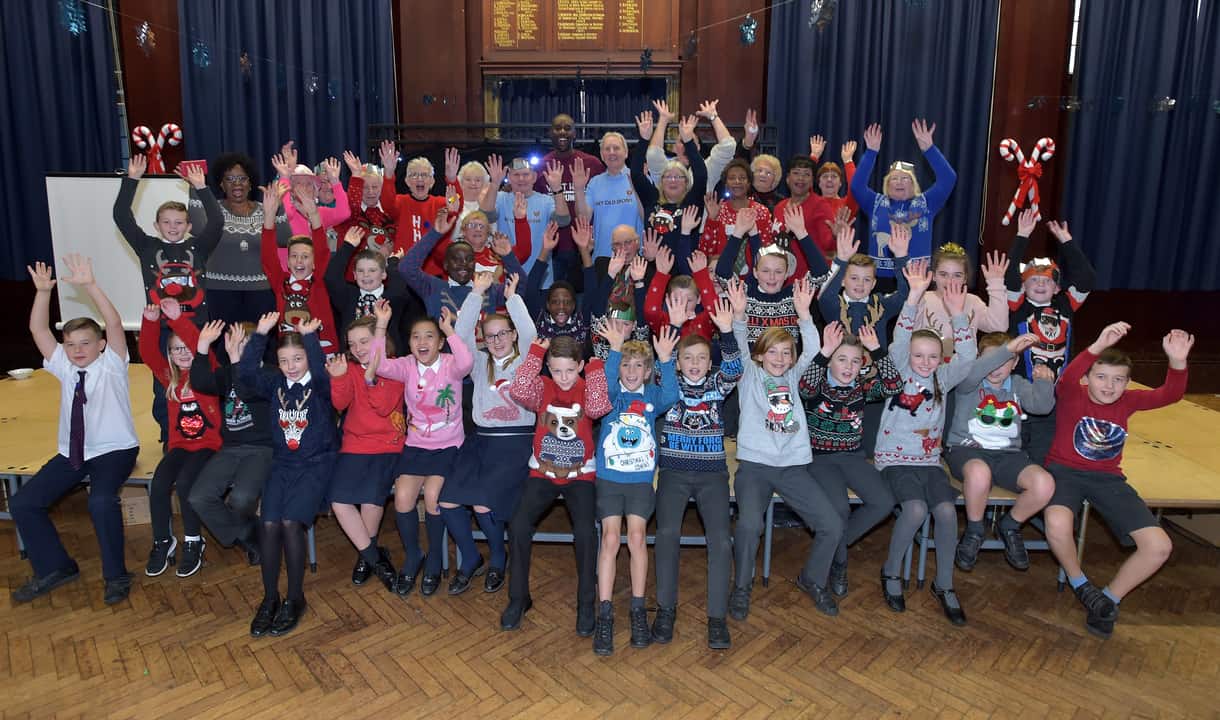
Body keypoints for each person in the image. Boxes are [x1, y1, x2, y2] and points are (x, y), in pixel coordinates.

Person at [1043, 323, 1192, 639]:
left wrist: (1177, 362)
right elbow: (1068, 376)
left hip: (1107, 479)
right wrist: (1096, 346)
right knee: (1057, 522)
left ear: (1127, 383)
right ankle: (1081, 585)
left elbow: (1171, 394)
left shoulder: (1129, 402)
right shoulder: (1073, 393)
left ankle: (1107, 601)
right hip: (1064, 473)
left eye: (1118, 380)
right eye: (1101, 377)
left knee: (1159, 546)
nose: (1109, 387)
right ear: (1087, 379)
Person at [11, 256, 140, 606]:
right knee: (24, 502)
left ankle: (115, 576)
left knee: (100, 502)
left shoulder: (112, 365)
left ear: (99, 345)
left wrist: (89, 286)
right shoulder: (65, 369)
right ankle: (55, 567)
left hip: (114, 450)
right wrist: (42, 293)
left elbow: (113, 322)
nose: (77, 350)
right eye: (70, 344)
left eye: (85, 343)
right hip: (75, 452)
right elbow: (39, 331)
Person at [727, 276, 846, 620]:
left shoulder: (794, 377)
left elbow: (811, 348)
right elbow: (738, 340)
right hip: (755, 467)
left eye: (786, 352)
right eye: (772, 352)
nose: (779, 358)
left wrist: (804, 314)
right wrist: (739, 316)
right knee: (750, 524)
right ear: (760, 354)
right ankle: (742, 586)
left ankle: (811, 579)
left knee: (832, 525)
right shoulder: (749, 374)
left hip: (793, 467)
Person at [874, 262, 976, 626]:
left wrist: (959, 316)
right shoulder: (900, 370)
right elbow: (901, 340)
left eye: (932, 357)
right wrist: (914, 297)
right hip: (895, 462)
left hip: (930, 463)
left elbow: (966, 358)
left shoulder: (942, 380)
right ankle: (890, 572)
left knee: (947, 512)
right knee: (915, 510)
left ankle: (945, 584)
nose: (925, 362)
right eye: (920, 356)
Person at [501, 336, 611, 633]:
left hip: (581, 476)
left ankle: (586, 604)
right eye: (557, 371)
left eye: (570, 371)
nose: (563, 378)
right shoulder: (542, 387)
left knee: (586, 533)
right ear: (549, 369)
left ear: (580, 367)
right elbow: (518, 389)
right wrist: (536, 354)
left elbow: (600, 408)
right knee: (519, 525)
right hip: (543, 474)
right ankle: (518, 598)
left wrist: (597, 366)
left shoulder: (588, 388)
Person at [238, 312, 337, 637]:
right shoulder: (275, 384)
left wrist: (309, 336)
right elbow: (246, 374)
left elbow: (322, 373)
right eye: (284, 360)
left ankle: (295, 598)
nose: (292, 365)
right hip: (282, 464)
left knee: (291, 524)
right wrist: (261, 334)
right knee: (268, 524)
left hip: (315, 465)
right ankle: (270, 598)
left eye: (298, 358)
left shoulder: (321, 387)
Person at [439, 271, 537, 595]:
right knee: (448, 501)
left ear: (512, 334)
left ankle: (498, 557)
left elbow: (529, 331)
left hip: (515, 443)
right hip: (481, 442)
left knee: (483, 505)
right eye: (490, 336)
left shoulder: (525, 360)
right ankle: (470, 558)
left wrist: (512, 299)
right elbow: (462, 334)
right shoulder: (479, 362)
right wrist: (476, 294)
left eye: (502, 334)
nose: (496, 341)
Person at [653, 298, 741, 649]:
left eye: (701, 358)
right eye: (687, 358)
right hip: (673, 472)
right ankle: (664, 610)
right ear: (678, 362)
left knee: (720, 540)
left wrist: (728, 332)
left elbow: (734, 370)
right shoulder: (668, 383)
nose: (694, 364)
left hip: (712, 475)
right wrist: (672, 332)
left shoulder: (717, 386)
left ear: (709, 362)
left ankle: (717, 618)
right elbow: (659, 363)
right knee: (667, 535)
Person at [591, 321, 680, 655]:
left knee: (638, 538)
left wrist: (667, 360)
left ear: (647, 372)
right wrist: (615, 349)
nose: (630, 371)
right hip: (610, 478)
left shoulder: (654, 397)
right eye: (625, 365)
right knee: (611, 539)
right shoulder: (611, 397)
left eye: (638, 365)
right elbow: (608, 380)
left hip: (640, 480)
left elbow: (671, 394)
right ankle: (605, 615)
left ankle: (639, 610)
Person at [373, 306, 474, 596]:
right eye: (416, 337)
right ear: (409, 343)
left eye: (429, 336)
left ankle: (434, 560)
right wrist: (381, 324)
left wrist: (451, 330)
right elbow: (378, 364)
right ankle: (414, 555)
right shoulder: (406, 365)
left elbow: (467, 363)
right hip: (416, 445)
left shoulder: (450, 364)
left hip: (448, 445)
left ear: (440, 342)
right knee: (403, 496)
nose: (422, 342)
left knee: (432, 496)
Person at [799, 321, 902, 598]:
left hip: (852, 457)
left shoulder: (861, 387)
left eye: (855, 361)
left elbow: (895, 385)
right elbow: (804, 389)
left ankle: (834, 548)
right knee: (840, 509)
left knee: (884, 502)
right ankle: (840, 562)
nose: (848, 367)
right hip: (820, 459)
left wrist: (878, 350)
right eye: (841, 359)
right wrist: (824, 353)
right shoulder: (818, 385)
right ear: (830, 361)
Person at [945, 332, 1056, 573]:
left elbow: (1042, 406)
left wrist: (1045, 382)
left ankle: (1010, 525)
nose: (996, 367)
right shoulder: (969, 382)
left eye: (1005, 360)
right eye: (991, 360)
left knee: (1044, 483)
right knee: (979, 473)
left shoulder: (1017, 385)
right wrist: (1007, 349)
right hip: (966, 451)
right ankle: (975, 529)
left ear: (1015, 363)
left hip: (1008, 457)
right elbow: (975, 371)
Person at [1005, 209, 1097, 464]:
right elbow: (1009, 276)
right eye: (1033, 279)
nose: (1041, 284)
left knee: (1046, 449)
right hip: (1022, 389)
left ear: (1057, 287)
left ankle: (1042, 475)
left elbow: (1087, 278)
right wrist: (1022, 236)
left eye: (1047, 280)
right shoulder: (1018, 305)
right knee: (1015, 444)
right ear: (1024, 286)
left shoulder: (1066, 304)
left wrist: (1067, 242)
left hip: (1056, 392)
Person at [139, 301, 222, 579]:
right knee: (160, 482)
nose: (183, 353)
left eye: (187, 348)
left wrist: (177, 319)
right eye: (176, 349)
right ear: (171, 354)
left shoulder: (206, 373)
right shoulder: (168, 378)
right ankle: (163, 541)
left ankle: (193, 541)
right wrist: (150, 322)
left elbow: (199, 345)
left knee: (187, 482)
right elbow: (148, 352)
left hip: (209, 445)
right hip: (179, 446)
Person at [324, 312, 406, 593]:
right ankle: (374, 558)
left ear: (381, 341)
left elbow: (383, 406)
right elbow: (341, 402)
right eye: (353, 344)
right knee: (339, 501)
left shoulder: (395, 369)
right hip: (354, 445)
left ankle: (365, 556)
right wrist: (337, 378)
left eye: (364, 341)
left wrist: (371, 375)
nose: (358, 349)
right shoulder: (349, 368)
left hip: (386, 445)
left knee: (372, 499)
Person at [188, 321, 272, 566]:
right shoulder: (227, 373)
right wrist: (203, 346)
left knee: (242, 498)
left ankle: (246, 532)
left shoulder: (270, 374)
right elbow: (201, 382)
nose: (238, 346)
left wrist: (236, 360)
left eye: (244, 342)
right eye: (234, 342)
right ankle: (247, 533)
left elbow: (247, 389)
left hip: (262, 449)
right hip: (230, 448)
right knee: (199, 497)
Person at [114, 155, 224, 323]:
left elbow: (217, 221)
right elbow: (121, 215)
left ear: (189, 227)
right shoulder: (147, 247)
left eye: (179, 222)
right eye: (166, 222)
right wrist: (132, 179)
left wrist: (201, 186)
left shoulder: (199, 247)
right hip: (161, 326)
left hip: (196, 325)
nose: (173, 227)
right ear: (156, 226)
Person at [851, 120, 957, 281]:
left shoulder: (926, 202)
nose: (899, 182)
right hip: (879, 280)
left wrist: (929, 149)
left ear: (914, 184)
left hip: (916, 279)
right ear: (886, 184)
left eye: (905, 178)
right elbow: (857, 186)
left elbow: (948, 178)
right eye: (894, 179)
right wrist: (871, 152)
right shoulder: (875, 203)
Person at [189, 152, 281, 326]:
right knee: (223, 346)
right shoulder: (212, 209)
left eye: (242, 178)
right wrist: (195, 188)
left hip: (261, 291)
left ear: (250, 182)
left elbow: (284, 239)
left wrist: (278, 206)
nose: (237, 183)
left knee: (260, 345)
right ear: (221, 185)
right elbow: (197, 229)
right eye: (229, 179)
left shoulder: (266, 208)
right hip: (220, 292)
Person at [400, 208, 524, 320]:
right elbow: (406, 268)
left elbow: (520, 285)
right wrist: (435, 233)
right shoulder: (433, 288)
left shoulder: (489, 290)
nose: (463, 264)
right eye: (457, 260)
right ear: (446, 266)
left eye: (469, 259)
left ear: (474, 264)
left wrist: (508, 256)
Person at [630, 102, 708, 275]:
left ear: (686, 183)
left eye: (678, 176)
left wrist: (688, 141)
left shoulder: (692, 203)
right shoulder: (652, 198)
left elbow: (701, 175)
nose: (673, 180)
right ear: (661, 181)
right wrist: (643, 140)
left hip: (685, 272)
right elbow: (636, 172)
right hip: (653, 268)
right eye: (668, 176)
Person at [259, 183, 339, 351]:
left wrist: (314, 214)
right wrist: (269, 215)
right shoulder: (280, 283)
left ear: (314, 261)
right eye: (294, 256)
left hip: (323, 350)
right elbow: (268, 255)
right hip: (291, 352)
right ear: (287, 262)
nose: (299, 261)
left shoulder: (319, 281)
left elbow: (322, 249)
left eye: (305, 257)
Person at [535, 113, 604, 289]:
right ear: (550, 133)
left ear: (575, 133)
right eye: (558, 128)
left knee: (585, 303)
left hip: (585, 247)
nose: (562, 132)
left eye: (567, 128)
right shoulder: (541, 166)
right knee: (554, 300)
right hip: (553, 248)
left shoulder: (592, 164)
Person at [480, 154, 570, 285]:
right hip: (508, 277)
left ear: (534, 177)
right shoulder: (501, 198)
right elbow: (485, 217)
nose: (521, 179)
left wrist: (557, 189)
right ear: (509, 177)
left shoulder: (546, 201)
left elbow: (563, 221)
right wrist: (494, 184)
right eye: (516, 175)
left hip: (541, 278)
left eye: (526, 174)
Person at [378, 142, 462, 276]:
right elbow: (387, 203)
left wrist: (452, 179)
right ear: (406, 181)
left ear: (432, 182)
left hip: (433, 273)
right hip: (403, 271)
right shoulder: (400, 202)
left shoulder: (440, 203)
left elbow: (455, 204)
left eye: (424, 175)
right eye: (414, 175)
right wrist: (388, 174)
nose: (419, 179)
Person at [325, 226, 413, 353]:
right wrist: (348, 246)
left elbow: (399, 284)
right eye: (361, 271)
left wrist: (392, 263)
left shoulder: (392, 297)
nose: (366, 275)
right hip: (352, 361)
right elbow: (331, 278)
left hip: (388, 361)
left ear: (383, 274)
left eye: (372, 270)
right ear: (354, 275)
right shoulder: (348, 296)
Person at [916, 243, 1009, 358]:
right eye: (943, 274)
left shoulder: (973, 301)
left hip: (964, 372)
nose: (950, 281)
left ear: (965, 278)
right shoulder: (922, 298)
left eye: (957, 275)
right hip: (926, 370)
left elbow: (999, 326)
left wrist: (996, 284)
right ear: (934, 276)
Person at [573, 132, 644, 260]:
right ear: (601, 155)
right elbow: (583, 218)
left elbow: (648, 217)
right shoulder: (595, 182)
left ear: (626, 152)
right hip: (602, 258)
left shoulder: (638, 178)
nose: (612, 152)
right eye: (607, 149)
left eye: (616, 148)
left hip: (633, 259)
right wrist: (578, 190)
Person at [642, 239, 721, 340]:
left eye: (689, 300)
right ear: (667, 299)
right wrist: (660, 275)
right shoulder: (664, 322)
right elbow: (650, 312)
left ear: (699, 299)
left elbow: (715, 311)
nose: (682, 305)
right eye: (676, 300)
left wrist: (702, 275)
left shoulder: (703, 321)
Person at [337, 150, 398, 279]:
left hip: (386, 280)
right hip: (355, 281)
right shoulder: (352, 214)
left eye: (375, 187)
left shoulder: (389, 214)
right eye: (365, 187)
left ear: (381, 188)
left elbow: (390, 196)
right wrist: (356, 176)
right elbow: (353, 203)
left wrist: (389, 173)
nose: (370, 192)